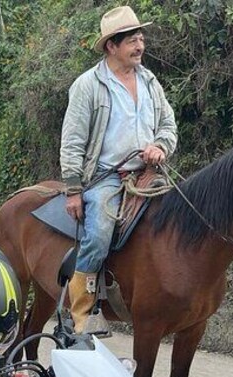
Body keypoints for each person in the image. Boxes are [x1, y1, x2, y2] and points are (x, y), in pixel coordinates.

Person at [60, 5, 177, 334]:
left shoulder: (150, 81)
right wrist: (73, 190)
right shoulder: (88, 86)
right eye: (132, 41)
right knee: (97, 235)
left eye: (140, 38)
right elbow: (71, 142)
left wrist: (161, 147)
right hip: (108, 177)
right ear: (112, 46)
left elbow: (168, 125)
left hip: (151, 173)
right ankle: (81, 313)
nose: (140, 46)